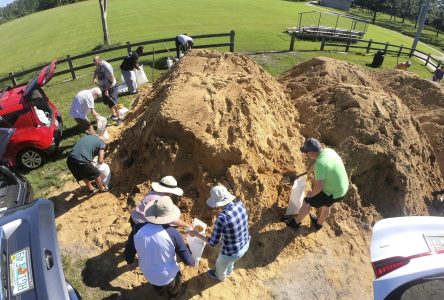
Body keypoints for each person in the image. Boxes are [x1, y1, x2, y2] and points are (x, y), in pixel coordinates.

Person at [133, 197, 194, 299]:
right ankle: (174, 295)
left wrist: (130, 261)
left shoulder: (138, 228)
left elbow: (130, 248)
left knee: (157, 284)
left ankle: (160, 291)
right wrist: (191, 262)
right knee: (174, 286)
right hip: (167, 275)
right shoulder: (172, 233)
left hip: (147, 272)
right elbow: (185, 255)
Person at [283, 138, 349, 230]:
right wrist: (310, 171)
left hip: (332, 192)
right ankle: (319, 224)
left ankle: (295, 223)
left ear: (311, 152)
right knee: (327, 206)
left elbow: (319, 186)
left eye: (306, 152)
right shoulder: (328, 151)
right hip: (343, 187)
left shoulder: (320, 164)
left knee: (307, 202)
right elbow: (322, 164)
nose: (307, 155)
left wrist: (310, 195)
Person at [124, 176, 192, 265]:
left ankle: (130, 256)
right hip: (141, 223)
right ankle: (131, 259)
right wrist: (187, 225)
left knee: (133, 238)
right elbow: (172, 220)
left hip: (135, 217)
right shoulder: (162, 200)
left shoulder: (153, 192)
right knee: (134, 241)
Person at [188, 185, 250, 281]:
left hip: (231, 252)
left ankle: (220, 277)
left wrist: (196, 234)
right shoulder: (240, 204)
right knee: (231, 261)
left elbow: (213, 243)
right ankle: (229, 270)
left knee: (220, 264)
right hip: (245, 243)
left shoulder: (222, 218)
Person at [93, 56, 122, 124]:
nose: (96, 65)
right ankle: (114, 115)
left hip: (111, 87)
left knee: (113, 102)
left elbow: (111, 80)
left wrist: (107, 89)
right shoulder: (98, 65)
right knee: (109, 102)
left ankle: (120, 118)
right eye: (95, 64)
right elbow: (96, 70)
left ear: (100, 60)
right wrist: (94, 78)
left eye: (96, 63)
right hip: (103, 87)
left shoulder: (107, 67)